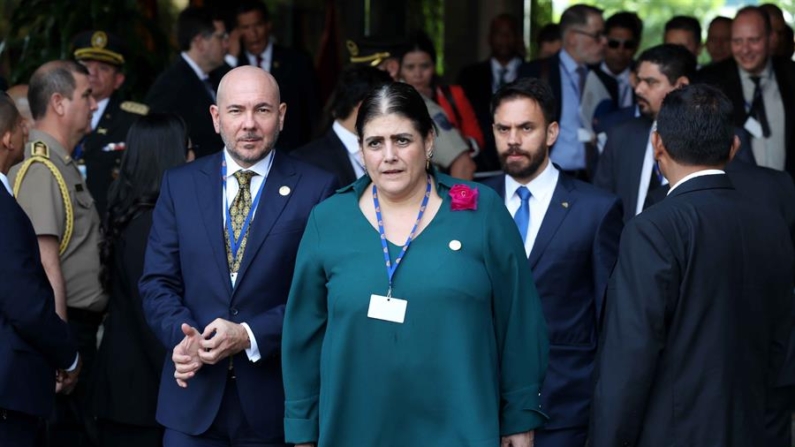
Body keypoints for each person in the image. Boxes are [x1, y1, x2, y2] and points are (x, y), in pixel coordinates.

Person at [282, 81, 549, 446]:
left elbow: (518, 321)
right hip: (354, 430)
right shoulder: (327, 219)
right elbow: (302, 337)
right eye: (375, 143)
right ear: (360, 150)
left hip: (461, 428)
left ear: (429, 141)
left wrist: (519, 416)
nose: (388, 155)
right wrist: (302, 430)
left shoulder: (480, 211)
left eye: (402, 140)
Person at [140, 66, 337, 446]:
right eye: (236, 111)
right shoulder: (179, 184)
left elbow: (321, 294)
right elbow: (157, 281)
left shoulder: (317, 188)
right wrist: (183, 337)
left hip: (272, 403)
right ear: (216, 118)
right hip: (191, 401)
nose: (249, 124)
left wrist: (249, 335)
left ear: (281, 115)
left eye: (262, 110)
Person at [590, 84, 794, 446]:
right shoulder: (771, 224)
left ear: (658, 145)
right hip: (755, 428)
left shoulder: (651, 228)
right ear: (733, 148)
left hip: (672, 434)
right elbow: (783, 346)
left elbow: (629, 359)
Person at [481, 78, 622, 447]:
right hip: (478, 402)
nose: (513, 139)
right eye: (503, 128)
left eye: (526, 127)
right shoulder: (472, 203)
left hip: (563, 405)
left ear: (552, 132)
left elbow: (610, 316)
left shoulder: (596, 209)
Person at [9, 60, 105, 446]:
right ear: (59, 103)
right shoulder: (39, 168)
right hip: (67, 333)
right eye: (87, 94)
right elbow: (45, 267)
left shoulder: (62, 164)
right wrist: (62, 351)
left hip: (79, 331)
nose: (95, 104)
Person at [89, 113, 190, 447]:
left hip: (132, 392)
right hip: (137, 396)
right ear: (170, 157)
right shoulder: (147, 224)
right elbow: (151, 314)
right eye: (188, 150)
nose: (194, 158)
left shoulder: (139, 214)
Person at [0, 92, 80, 447]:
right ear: (6, 138)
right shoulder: (3, 209)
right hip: (8, 390)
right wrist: (69, 355)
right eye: (21, 126)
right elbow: (25, 305)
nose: (27, 133)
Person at [348, 37, 476, 180]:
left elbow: (463, 165)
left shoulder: (416, 105)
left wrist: (459, 203)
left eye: (364, 72)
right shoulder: (362, 102)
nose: (357, 79)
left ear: (392, 68)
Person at [593, 44, 695, 223]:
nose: (639, 89)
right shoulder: (620, 136)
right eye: (638, 80)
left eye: (651, 82)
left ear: (681, 85)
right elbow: (600, 207)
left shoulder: (713, 139)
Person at [518, 4, 616, 181]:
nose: (604, 41)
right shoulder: (536, 73)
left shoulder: (606, 81)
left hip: (593, 180)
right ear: (572, 37)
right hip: (544, 177)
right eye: (597, 35)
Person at [698, 6, 795, 177]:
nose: (745, 49)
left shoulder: (791, 75)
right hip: (733, 195)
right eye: (737, 41)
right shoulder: (709, 82)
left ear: (771, 39)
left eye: (753, 40)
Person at [221, 0, 319, 150]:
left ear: (268, 25)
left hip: (293, 152)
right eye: (246, 27)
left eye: (258, 25)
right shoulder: (232, 63)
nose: (253, 34)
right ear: (237, 32)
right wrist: (231, 60)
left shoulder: (297, 61)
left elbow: (313, 113)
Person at [73, 29, 149, 216]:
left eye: (103, 68)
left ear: (118, 80)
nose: (92, 73)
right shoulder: (62, 112)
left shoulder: (134, 121)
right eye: (86, 66)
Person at [146, 6, 227, 159]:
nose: (226, 44)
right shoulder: (170, 86)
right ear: (200, 42)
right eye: (221, 37)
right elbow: (159, 143)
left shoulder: (216, 77)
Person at [292, 65, 392, 186]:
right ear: (365, 108)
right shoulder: (304, 162)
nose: (394, 115)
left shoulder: (392, 151)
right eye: (390, 107)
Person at [457, 13, 526, 172]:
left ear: (518, 37)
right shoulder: (469, 75)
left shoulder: (532, 72)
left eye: (509, 34)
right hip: (480, 162)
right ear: (489, 38)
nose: (504, 39)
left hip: (522, 156)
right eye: (499, 34)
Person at [400, 32, 485, 154]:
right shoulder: (390, 100)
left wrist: (457, 139)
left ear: (434, 67)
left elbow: (477, 141)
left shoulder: (453, 95)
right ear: (400, 70)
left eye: (424, 66)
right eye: (410, 67)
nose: (417, 74)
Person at [601, 12, 642, 109]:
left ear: (636, 46)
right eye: (614, 44)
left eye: (628, 45)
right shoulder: (586, 73)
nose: (620, 51)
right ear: (603, 42)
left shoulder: (643, 76)